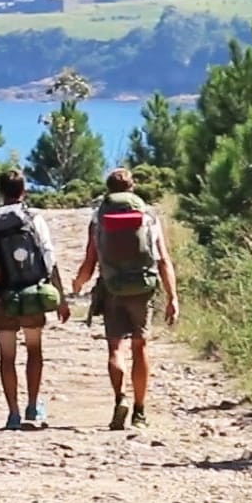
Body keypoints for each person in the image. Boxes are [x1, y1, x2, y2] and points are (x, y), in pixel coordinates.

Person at [73, 168, 178, 431]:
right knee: (140, 346)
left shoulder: (99, 218)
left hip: (112, 288)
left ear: (108, 189)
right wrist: (172, 297)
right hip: (142, 288)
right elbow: (163, 259)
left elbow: (90, 260)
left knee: (115, 348)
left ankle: (120, 397)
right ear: (132, 188)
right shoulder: (148, 215)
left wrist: (78, 284)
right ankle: (140, 411)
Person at [0, 169, 70, 430]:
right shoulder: (33, 218)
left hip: (0, 295)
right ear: (23, 191)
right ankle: (33, 405)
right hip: (31, 293)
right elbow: (49, 260)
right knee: (34, 350)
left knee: (7, 356)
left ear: (0, 191)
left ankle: (13, 413)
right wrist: (61, 298)